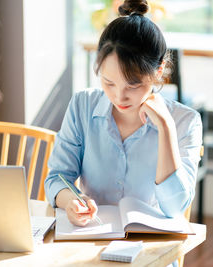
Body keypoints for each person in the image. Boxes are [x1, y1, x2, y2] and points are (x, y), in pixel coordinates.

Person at [44, 0, 202, 227]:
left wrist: (165, 128)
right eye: (109, 83)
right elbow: (57, 177)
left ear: (158, 72)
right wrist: (72, 201)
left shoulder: (185, 122)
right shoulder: (82, 105)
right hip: (91, 241)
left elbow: (175, 208)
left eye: (133, 85)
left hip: (150, 250)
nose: (119, 97)